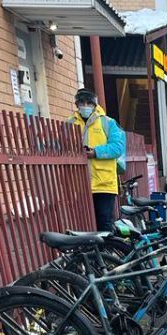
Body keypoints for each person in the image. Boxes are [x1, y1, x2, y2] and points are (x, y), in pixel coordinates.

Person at [68, 88, 126, 232]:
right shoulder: (69, 123)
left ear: (95, 105)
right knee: (84, 226)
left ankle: (108, 253)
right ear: (77, 104)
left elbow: (118, 147)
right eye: (82, 103)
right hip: (79, 184)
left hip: (103, 184)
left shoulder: (108, 122)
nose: (85, 106)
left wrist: (95, 152)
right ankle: (93, 254)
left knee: (104, 224)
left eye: (89, 103)